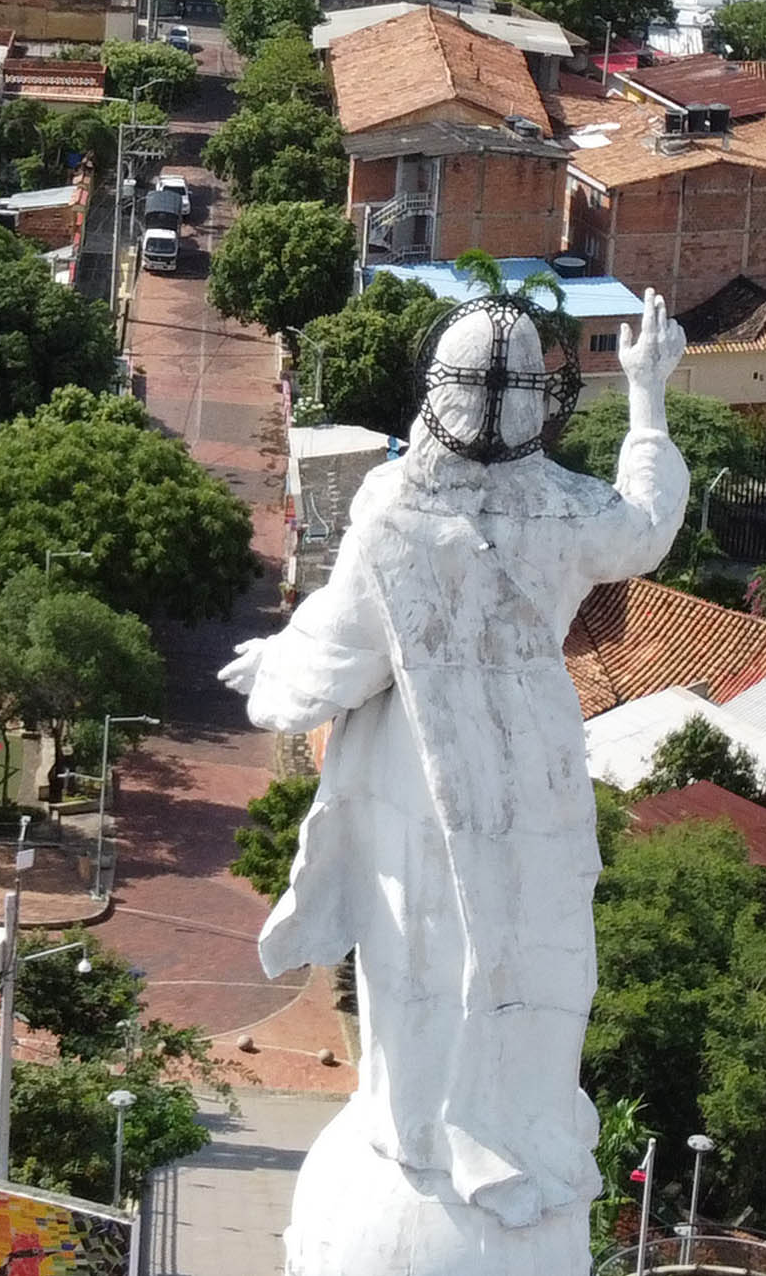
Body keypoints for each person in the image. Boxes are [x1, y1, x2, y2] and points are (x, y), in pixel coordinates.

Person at [227, 289, 685, 1268]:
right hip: (537, 792)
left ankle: (425, 1138)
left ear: (432, 388)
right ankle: (512, 1131)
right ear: (537, 403)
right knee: (529, 960)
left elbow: (336, 663)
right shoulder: (565, 508)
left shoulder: (396, 510)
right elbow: (648, 527)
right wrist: (647, 399)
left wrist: (268, 676)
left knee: (418, 971)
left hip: (417, 792)